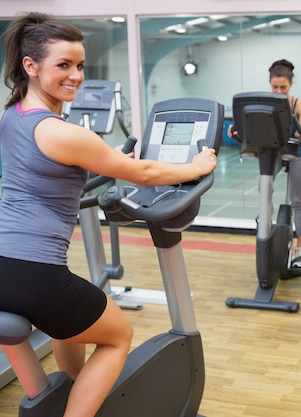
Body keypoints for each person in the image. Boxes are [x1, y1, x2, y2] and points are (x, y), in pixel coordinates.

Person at [0, 12, 218, 417]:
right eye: (63, 65)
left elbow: (44, 170)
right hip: (34, 274)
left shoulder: (12, 115)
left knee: (74, 316)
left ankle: (75, 394)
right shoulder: (62, 131)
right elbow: (146, 172)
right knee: (118, 334)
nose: (76, 76)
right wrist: (197, 167)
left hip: (4, 265)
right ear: (30, 66)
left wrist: (106, 161)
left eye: (80, 65)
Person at [228, 59, 301, 268]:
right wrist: (237, 130)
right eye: (275, 86)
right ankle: (266, 215)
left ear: (290, 85)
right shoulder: (266, 104)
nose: (278, 91)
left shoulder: (298, 104)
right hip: (274, 152)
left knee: (297, 200)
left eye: (283, 87)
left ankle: (300, 250)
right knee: (263, 187)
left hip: (296, 152)